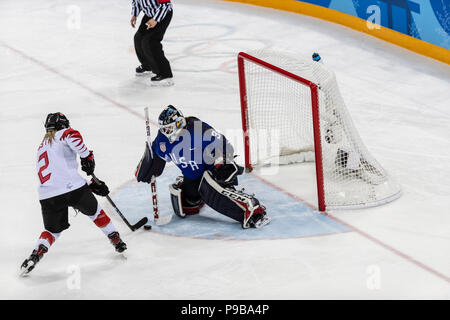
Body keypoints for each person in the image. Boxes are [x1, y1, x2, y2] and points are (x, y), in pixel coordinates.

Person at [20, 113, 127, 276]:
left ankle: (36, 254)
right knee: (96, 213)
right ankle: (115, 239)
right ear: (63, 125)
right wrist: (87, 157)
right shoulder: (63, 133)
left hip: (47, 196)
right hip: (73, 189)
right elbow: (73, 136)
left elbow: (60, 176)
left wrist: (90, 185)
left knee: (52, 231)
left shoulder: (41, 146)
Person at [135, 105, 271, 229]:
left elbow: (223, 143)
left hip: (213, 172)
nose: (166, 132)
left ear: (178, 123)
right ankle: (200, 194)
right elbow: (156, 156)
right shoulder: (163, 139)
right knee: (187, 205)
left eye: (169, 128)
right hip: (193, 177)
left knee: (210, 190)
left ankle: (252, 208)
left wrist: (222, 162)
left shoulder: (196, 128)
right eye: (164, 129)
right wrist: (148, 167)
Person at [131, 0, 174, 86]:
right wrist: (134, 15)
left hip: (163, 14)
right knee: (138, 38)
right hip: (149, 14)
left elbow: (165, 5)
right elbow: (136, 1)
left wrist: (155, 19)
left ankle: (165, 74)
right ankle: (148, 65)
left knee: (150, 41)